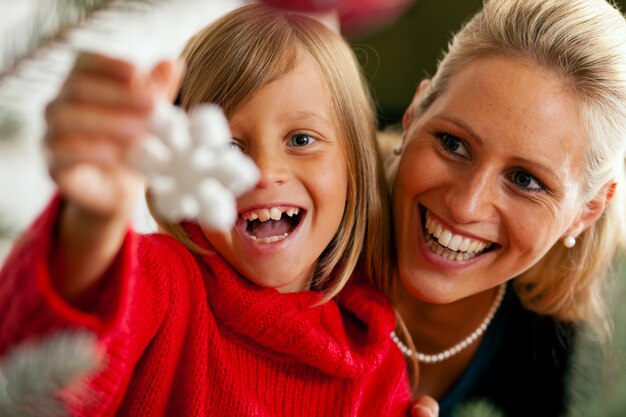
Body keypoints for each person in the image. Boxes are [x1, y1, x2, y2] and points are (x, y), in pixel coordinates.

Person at [0, 4, 423, 416]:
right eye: (227, 146)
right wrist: (91, 222)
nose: (263, 173)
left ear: (355, 164)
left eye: (301, 140)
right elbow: (39, 376)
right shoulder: (162, 282)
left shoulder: (376, 363)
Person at [383, 0, 626, 416]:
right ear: (413, 113)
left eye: (525, 181)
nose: (465, 205)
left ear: (586, 211)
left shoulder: (579, 348)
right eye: (452, 144)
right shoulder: (290, 230)